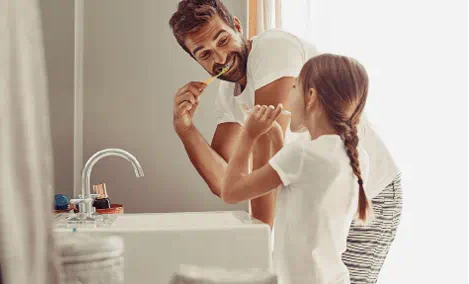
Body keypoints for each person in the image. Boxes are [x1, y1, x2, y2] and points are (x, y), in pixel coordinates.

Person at [169, 1, 402, 283]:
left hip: (368, 191)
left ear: (238, 27)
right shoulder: (228, 94)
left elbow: (262, 158)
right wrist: (186, 130)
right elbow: (227, 182)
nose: (221, 57)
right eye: (205, 53)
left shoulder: (273, 49)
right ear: (196, 60)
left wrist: (259, 253)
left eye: (223, 39)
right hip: (319, 201)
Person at [222, 53, 371, 284]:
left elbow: (231, 192)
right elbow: (297, 196)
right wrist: (278, 138)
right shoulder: (355, 154)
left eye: (293, 87)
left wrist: (248, 135)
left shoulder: (302, 153)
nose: (288, 97)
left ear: (310, 96)